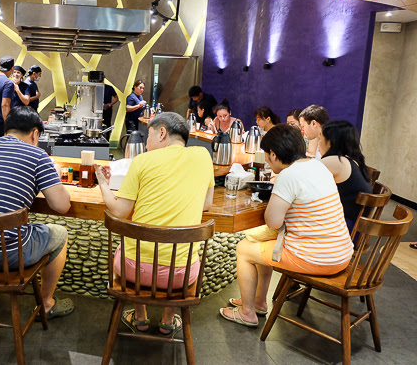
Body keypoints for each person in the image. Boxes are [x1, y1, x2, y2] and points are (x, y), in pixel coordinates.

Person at [219, 125, 353, 327]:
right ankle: (258, 302)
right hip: (342, 254)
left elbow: (273, 222)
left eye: (267, 155)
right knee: (264, 245)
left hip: (316, 258)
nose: (267, 160)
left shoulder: (288, 175)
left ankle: (247, 312)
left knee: (243, 249)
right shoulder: (318, 166)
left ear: (273, 154)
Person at [95, 112, 215, 336]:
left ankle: (140, 317)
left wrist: (102, 182)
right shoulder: (203, 156)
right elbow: (206, 204)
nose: (146, 144)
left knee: (128, 247)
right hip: (181, 275)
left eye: (148, 136)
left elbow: (119, 211)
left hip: (134, 270)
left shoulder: (142, 161)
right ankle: (168, 320)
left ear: (162, 133)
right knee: (183, 255)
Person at [0, 106, 74, 316]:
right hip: (8, 255)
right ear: (35, 133)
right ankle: (46, 303)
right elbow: (62, 206)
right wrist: (53, 174)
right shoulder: (38, 156)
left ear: (6, 129)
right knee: (60, 234)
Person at [318, 120, 372, 235]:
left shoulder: (337, 161)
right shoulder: (352, 160)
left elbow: (302, 177)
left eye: (320, 137)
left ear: (330, 142)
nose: (318, 142)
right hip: (356, 227)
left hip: (345, 230)